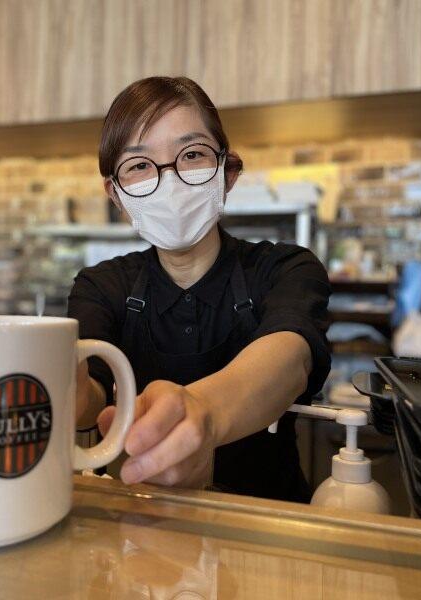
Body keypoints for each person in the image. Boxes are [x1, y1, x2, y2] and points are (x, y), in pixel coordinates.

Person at [68, 76, 330, 501]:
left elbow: (291, 356)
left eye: (191, 155)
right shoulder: (101, 285)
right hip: (144, 520)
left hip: (267, 523)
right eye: (139, 165)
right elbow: (92, 392)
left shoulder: (285, 268)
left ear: (227, 173)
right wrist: (66, 387)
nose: (168, 180)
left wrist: (201, 414)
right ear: (116, 195)